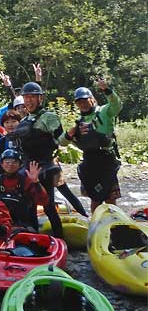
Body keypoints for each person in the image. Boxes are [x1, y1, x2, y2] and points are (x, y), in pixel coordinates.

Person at [11, 82, 87, 238]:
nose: (29, 101)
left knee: (49, 206)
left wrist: (74, 134)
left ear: (40, 99)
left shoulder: (49, 117)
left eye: (32, 97)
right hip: (28, 168)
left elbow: (60, 139)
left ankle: (65, 235)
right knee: (30, 206)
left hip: (46, 167)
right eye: (26, 97)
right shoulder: (25, 120)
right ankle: (34, 238)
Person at [60, 78, 122, 212]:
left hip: (106, 159)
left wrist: (106, 90)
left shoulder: (104, 112)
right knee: (95, 198)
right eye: (79, 102)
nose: (83, 104)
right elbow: (62, 142)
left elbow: (117, 106)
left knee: (110, 197)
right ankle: (95, 224)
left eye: (85, 100)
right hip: (89, 161)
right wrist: (70, 134)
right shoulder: (78, 123)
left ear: (92, 99)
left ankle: (115, 226)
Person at [0, 150, 48, 231]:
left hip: (23, 225)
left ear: (20, 165)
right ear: (2, 164)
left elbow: (43, 201)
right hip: (0, 223)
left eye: (14, 162)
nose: (10, 165)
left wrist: (36, 182)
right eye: (7, 162)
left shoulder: (26, 181)